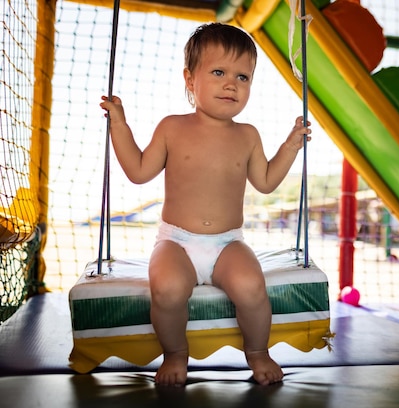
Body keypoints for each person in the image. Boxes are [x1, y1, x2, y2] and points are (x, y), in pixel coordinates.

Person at [100, 22, 311, 387]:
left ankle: (258, 352)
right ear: (190, 79)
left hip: (228, 243)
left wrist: (291, 145)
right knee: (166, 288)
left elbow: (265, 182)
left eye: (243, 77)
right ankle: (176, 352)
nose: (231, 83)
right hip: (176, 241)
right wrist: (119, 123)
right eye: (218, 72)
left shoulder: (248, 135)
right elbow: (137, 171)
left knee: (251, 288)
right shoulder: (172, 127)